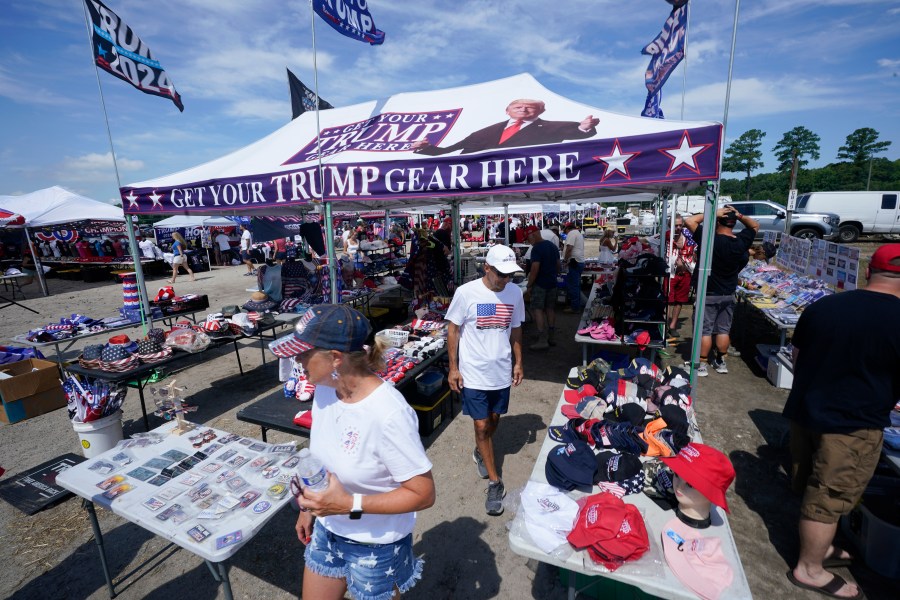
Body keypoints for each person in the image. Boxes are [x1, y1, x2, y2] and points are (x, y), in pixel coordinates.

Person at [269, 305, 436, 600]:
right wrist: (310, 508)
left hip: (378, 544)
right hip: (329, 527)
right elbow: (323, 458)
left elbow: (423, 494)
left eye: (304, 353)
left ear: (335, 358)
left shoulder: (388, 414)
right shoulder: (324, 389)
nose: (296, 360)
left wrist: (348, 503)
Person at [783, 244, 900, 600]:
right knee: (829, 498)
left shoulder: (825, 305)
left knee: (811, 485)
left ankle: (822, 548)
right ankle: (810, 568)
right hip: (853, 424)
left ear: (868, 271)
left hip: (807, 411)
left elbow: (797, 355)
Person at [445, 245, 525, 516]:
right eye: (501, 274)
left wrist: (518, 362)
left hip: (501, 372)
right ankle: (494, 482)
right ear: (486, 268)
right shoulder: (466, 293)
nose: (506, 280)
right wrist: (453, 368)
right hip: (474, 373)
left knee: (493, 420)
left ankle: (481, 451)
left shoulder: (514, 293)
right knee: (481, 426)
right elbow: (453, 330)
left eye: (510, 275)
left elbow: (515, 329)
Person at [684, 206, 758, 376]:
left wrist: (712, 214)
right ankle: (720, 361)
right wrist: (739, 215)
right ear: (733, 223)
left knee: (705, 330)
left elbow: (690, 221)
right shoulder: (741, 241)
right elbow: (754, 226)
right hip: (729, 292)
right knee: (723, 330)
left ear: (718, 221)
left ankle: (701, 364)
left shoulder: (709, 239)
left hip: (709, 292)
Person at [412, 99, 599, 155]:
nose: (524, 110)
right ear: (507, 111)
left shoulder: (552, 127)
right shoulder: (484, 132)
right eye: (518, 107)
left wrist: (584, 128)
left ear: (540, 112)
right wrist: (426, 148)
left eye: (531, 107)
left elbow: (576, 132)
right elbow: (449, 151)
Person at [524, 226, 560, 350]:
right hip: (552, 282)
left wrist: (529, 284)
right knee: (550, 309)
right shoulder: (552, 246)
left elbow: (534, 269)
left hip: (540, 284)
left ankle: (542, 339)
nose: (528, 241)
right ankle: (551, 337)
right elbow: (558, 265)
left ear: (533, 235)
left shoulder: (536, 248)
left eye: (528, 238)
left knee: (538, 309)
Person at [664, 215, 696, 340]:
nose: (678, 228)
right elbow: (650, 240)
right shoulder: (667, 236)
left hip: (686, 273)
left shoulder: (689, 236)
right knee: (668, 301)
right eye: (675, 225)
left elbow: (696, 247)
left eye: (679, 225)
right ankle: (664, 326)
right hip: (671, 273)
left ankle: (672, 326)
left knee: (680, 300)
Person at [562, 222, 585, 313]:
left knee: (573, 285)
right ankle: (576, 305)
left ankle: (575, 307)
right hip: (577, 261)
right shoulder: (577, 233)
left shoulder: (571, 233)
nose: (565, 233)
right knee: (576, 285)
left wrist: (565, 259)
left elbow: (569, 248)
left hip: (574, 261)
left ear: (568, 229)